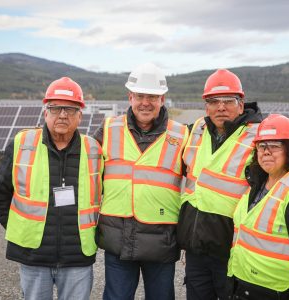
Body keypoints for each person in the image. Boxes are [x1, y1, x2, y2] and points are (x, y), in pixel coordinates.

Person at [176, 69, 289, 299]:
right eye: (213, 101)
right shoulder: (198, 130)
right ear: (205, 106)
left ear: (241, 104)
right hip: (196, 249)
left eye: (228, 101)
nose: (221, 107)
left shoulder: (258, 133)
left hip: (229, 247)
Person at [0, 77, 104, 300]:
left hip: (77, 258)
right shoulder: (23, 143)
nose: (62, 115)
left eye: (70, 109)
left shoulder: (94, 149)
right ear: (45, 112)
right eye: (55, 108)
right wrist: (20, 228)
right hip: (33, 256)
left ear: (80, 115)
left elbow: (106, 195)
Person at [93, 63, 189, 300]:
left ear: (162, 99)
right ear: (130, 97)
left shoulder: (181, 135)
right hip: (118, 242)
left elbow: (206, 177)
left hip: (162, 241)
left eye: (152, 97)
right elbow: (83, 168)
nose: (145, 102)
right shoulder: (108, 129)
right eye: (140, 96)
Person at [228, 114, 289, 299]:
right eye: (261, 145)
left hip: (276, 290)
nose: (266, 151)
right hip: (243, 284)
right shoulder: (257, 183)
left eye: (274, 145)